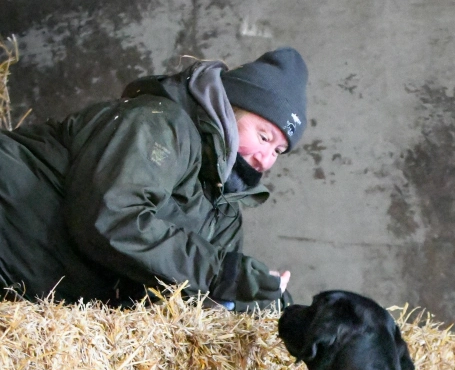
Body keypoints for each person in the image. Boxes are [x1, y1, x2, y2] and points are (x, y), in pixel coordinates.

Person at [0, 47, 307, 311]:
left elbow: (209, 298)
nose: (265, 159)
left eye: (278, 150)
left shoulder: (224, 211)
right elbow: (109, 217)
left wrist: (270, 302)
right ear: (230, 109)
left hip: (37, 287)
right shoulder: (161, 124)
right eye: (263, 137)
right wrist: (222, 275)